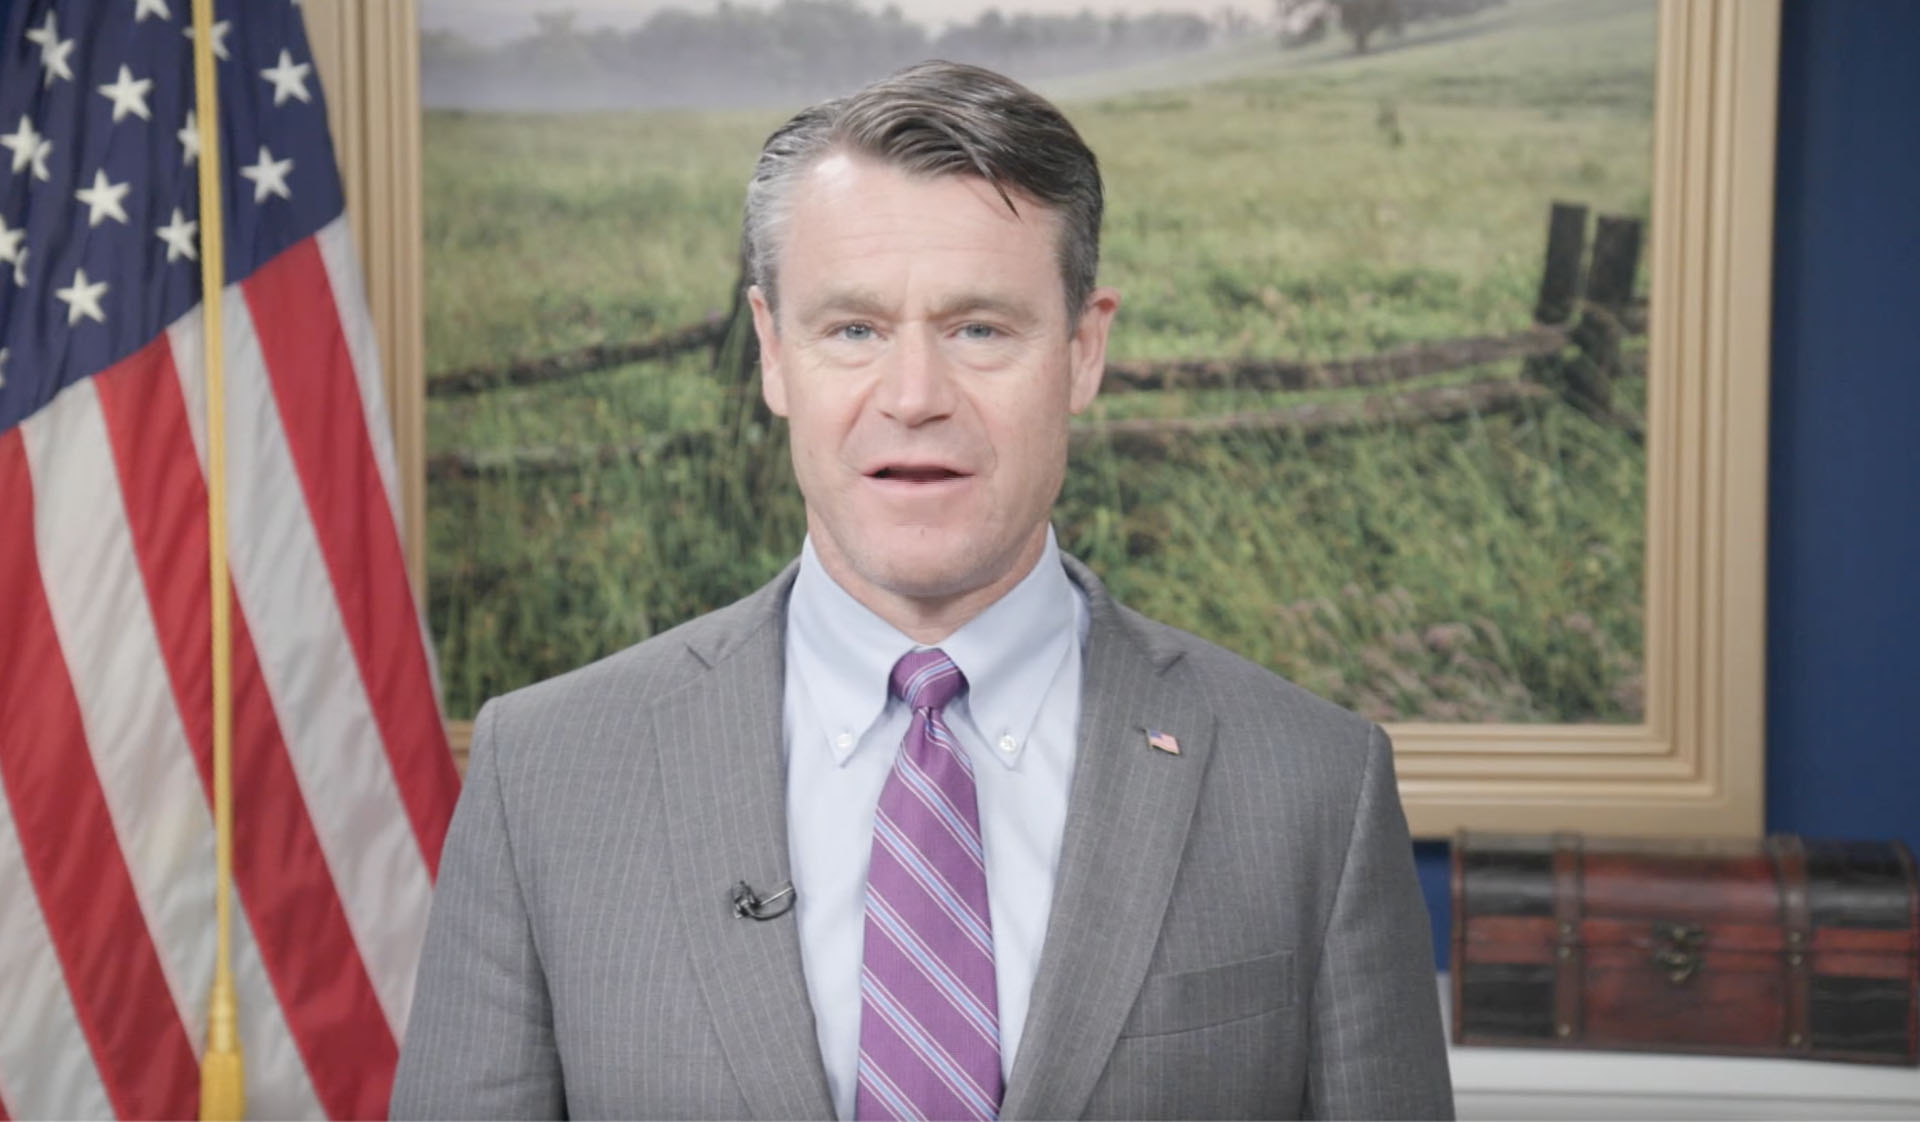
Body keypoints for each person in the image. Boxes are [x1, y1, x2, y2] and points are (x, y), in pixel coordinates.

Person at [391, 61, 1453, 1121]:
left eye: (978, 329)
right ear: (773, 352)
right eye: (853, 329)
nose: (912, 398)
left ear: (1083, 350)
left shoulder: (1315, 785)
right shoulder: (547, 775)